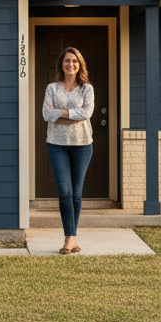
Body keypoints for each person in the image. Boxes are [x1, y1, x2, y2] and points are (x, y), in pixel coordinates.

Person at [41, 46, 95, 254]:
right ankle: (69, 238)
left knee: (76, 193)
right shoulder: (52, 88)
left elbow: (86, 113)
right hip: (57, 144)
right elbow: (46, 114)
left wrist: (60, 112)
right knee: (65, 191)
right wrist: (72, 114)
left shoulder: (86, 89)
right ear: (61, 64)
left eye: (74, 61)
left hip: (82, 144)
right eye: (66, 60)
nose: (70, 64)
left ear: (79, 65)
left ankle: (71, 239)